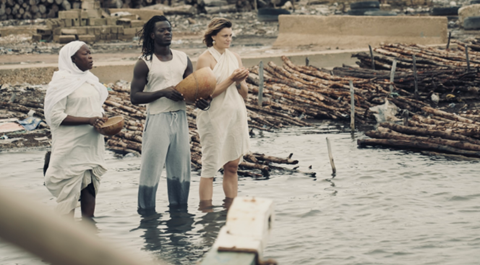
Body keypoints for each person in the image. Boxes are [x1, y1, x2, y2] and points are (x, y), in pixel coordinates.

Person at [130, 15, 209, 214]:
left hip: (180, 119)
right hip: (157, 119)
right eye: (162, 30)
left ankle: (180, 212)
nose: (167, 33)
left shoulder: (183, 58)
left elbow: (192, 91)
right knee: (151, 169)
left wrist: (201, 102)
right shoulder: (145, 62)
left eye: (169, 30)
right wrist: (162, 92)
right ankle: (146, 214)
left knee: (181, 169)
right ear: (152, 34)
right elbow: (135, 97)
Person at [44, 41, 108, 218]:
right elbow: (55, 116)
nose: (90, 56)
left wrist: (103, 121)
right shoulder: (61, 83)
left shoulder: (90, 81)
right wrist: (88, 120)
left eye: (90, 53)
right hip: (71, 147)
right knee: (68, 193)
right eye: (85, 54)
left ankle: (89, 233)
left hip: (91, 144)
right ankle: (65, 239)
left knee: (90, 187)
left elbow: (94, 108)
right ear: (72, 59)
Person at [195, 18, 250, 203]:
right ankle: (206, 212)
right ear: (213, 37)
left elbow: (245, 94)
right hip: (214, 117)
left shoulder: (234, 57)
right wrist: (231, 78)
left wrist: (240, 81)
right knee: (210, 167)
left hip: (235, 115)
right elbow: (207, 93)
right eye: (224, 36)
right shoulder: (205, 59)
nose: (228, 39)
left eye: (230, 35)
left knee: (233, 166)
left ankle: (231, 206)